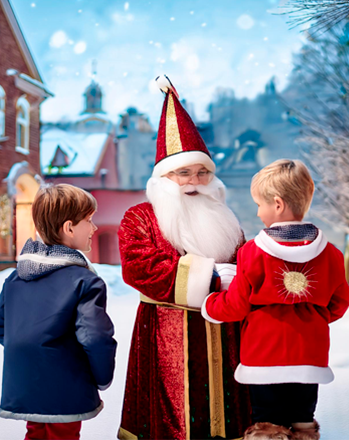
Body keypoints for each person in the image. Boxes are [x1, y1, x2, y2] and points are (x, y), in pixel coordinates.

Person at [117, 75, 251, 440]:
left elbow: (246, 262)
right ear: (164, 177)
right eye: (183, 173)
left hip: (226, 334)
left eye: (202, 172)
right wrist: (211, 279)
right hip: (166, 335)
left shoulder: (228, 218)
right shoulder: (140, 217)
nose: (194, 181)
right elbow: (139, 268)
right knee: (172, 420)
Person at [202, 159, 349, 440]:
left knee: (267, 423)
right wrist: (314, 318)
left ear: (278, 204)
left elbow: (236, 305)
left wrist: (209, 304)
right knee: (302, 420)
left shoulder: (252, 252)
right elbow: (340, 302)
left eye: (260, 204)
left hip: (264, 354)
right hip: (310, 353)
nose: (258, 213)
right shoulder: (331, 254)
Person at [0, 184, 117, 440]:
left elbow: (0, 329)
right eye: (89, 220)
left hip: (25, 383)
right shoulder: (85, 281)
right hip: (66, 385)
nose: (94, 228)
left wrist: (34, 355)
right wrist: (102, 378)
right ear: (69, 228)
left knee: (35, 434)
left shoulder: (16, 278)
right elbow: (95, 338)